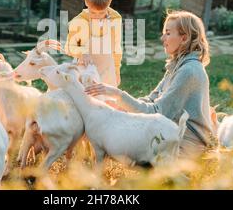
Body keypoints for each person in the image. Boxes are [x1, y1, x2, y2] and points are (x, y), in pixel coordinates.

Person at [85, 10, 215, 158]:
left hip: (187, 146)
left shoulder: (189, 71)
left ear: (184, 38)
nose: (162, 37)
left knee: (121, 144)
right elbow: (150, 99)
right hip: (170, 135)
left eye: (167, 33)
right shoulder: (177, 67)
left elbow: (156, 112)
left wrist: (118, 94)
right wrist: (120, 106)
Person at [64, 0, 123, 86]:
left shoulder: (115, 18)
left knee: (107, 99)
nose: (97, 16)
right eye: (93, 12)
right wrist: (83, 53)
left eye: (101, 12)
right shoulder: (79, 21)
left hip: (107, 69)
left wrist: (116, 70)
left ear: (109, 2)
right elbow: (70, 47)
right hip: (85, 69)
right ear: (86, 2)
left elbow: (116, 46)